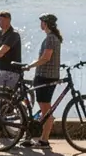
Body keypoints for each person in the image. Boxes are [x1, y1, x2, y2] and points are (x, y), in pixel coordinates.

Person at [21, 13, 63, 148]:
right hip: (47, 75)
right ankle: (42, 138)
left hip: (45, 77)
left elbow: (46, 58)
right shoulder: (53, 37)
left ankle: (44, 140)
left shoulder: (50, 38)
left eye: (42, 22)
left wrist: (30, 66)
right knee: (45, 108)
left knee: (45, 109)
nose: (40, 24)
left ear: (46, 24)